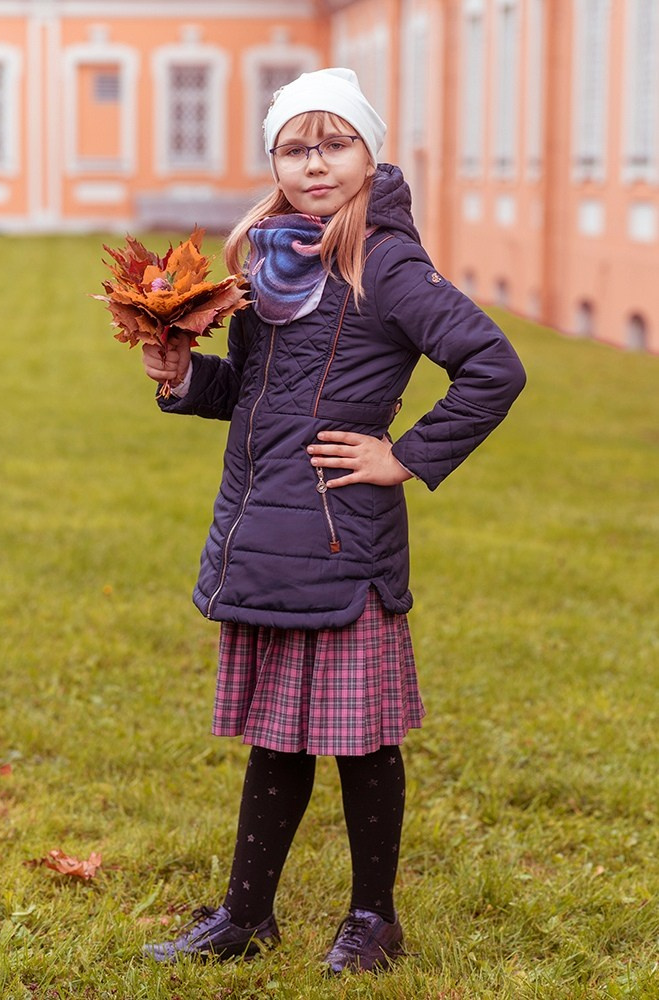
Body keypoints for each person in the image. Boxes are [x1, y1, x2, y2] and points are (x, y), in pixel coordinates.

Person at [140, 67, 526, 974]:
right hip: (267, 534)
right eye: (294, 147)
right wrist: (184, 377)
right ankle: (245, 915)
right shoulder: (270, 261)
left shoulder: (382, 260)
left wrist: (404, 455)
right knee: (277, 735)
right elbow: (252, 398)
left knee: (360, 742)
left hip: (338, 538)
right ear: (273, 161)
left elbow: (492, 366)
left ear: (368, 150)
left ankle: (373, 919)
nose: (314, 164)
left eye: (334, 143)